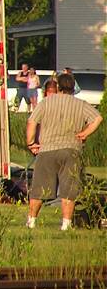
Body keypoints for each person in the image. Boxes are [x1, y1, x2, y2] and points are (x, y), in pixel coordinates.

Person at [25, 73, 102, 231]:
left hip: (47, 149)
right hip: (71, 149)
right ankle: (66, 224)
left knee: (39, 189)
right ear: (73, 88)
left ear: (58, 87)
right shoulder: (80, 104)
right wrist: (85, 133)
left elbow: (32, 122)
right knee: (69, 189)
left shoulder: (46, 102)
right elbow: (97, 118)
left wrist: (31, 143)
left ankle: (32, 221)